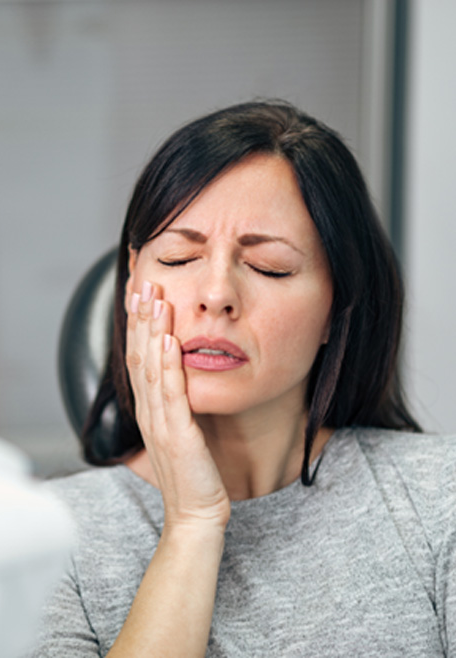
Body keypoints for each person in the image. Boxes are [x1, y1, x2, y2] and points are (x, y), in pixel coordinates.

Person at [30, 101, 456, 656]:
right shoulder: (40, 538)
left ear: (337, 305)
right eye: (180, 258)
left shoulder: (439, 498)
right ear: (133, 277)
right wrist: (191, 525)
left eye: (268, 267)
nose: (216, 296)